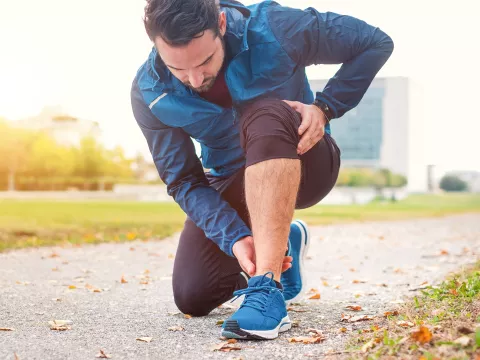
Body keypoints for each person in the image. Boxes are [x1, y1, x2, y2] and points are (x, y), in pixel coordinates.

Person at [131, 0, 393, 340]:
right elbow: (184, 180)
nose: (195, 79)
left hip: (304, 160)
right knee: (193, 295)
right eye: (178, 68)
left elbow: (374, 42)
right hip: (233, 175)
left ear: (221, 24)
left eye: (205, 60)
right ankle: (285, 241)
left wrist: (326, 107)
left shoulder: (275, 27)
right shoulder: (149, 92)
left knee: (265, 113)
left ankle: (267, 288)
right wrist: (236, 237)